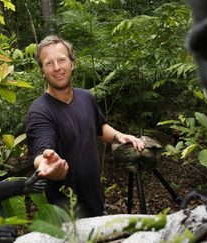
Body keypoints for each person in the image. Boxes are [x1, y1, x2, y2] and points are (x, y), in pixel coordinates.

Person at [25, 35, 145, 218]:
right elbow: (42, 152)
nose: (56, 68)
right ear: (42, 70)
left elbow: (99, 128)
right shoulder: (40, 111)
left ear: (72, 63)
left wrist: (119, 136)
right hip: (66, 212)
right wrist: (47, 164)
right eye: (49, 63)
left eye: (61, 60)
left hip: (95, 199)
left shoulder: (86, 97)